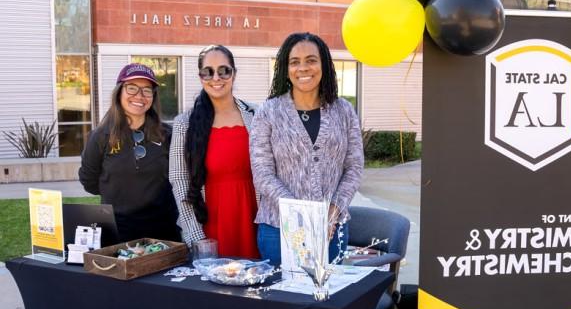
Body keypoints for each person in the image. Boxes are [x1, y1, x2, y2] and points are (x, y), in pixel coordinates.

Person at [250, 32, 364, 265]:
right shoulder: (268, 112)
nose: (303, 68)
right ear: (285, 68)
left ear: (324, 65)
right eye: (294, 62)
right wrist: (300, 214)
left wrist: (332, 213)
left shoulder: (344, 111)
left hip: (330, 230)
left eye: (311, 60)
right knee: (283, 298)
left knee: (328, 298)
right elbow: (262, 174)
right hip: (278, 229)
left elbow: (354, 168)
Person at [169, 45, 259, 259]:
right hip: (210, 222)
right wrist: (197, 237)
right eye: (208, 71)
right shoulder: (185, 123)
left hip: (254, 217)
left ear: (234, 73)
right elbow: (180, 181)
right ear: (200, 77)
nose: (216, 77)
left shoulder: (257, 114)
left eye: (223, 70)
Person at [79, 63, 180, 243]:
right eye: (131, 88)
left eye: (146, 90)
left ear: (153, 96)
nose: (139, 96)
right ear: (119, 92)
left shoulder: (168, 135)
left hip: (163, 233)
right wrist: (119, 194)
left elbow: (178, 179)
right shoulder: (101, 136)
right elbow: (89, 181)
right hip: (117, 233)